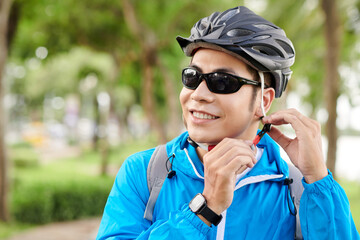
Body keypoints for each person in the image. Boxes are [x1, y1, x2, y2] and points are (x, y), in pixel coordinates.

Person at [96, 6, 359, 240]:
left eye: (222, 81)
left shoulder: (297, 188)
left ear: (264, 101)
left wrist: (318, 179)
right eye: (192, 76)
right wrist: (203, 210)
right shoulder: (145, 172)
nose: (198, 94)